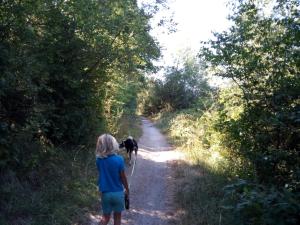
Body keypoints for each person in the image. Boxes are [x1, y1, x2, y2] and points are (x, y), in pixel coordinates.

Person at [95, 134, 129, 225]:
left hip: (105, 194)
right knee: (117, 218)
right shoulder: (119, 159)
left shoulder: (98, 160)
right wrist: (127, 189)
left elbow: (102, 173)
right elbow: (123, 177)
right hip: (118, 193)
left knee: (105, 218)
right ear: (114, 145)